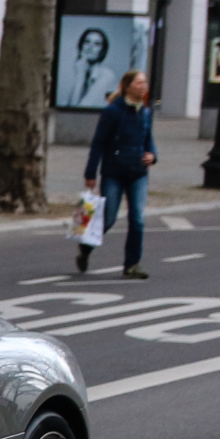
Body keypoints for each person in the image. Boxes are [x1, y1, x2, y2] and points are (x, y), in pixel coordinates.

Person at [83, 69, 157, 280]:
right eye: (139, 83)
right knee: (108, 219)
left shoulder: (145, 112)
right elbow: (98, 143)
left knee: (138, 219)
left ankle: (132, 264)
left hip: (138, 173)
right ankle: (86, 247)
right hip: (114, 172)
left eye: (145, 83)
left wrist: (153, 156)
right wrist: (91, 173)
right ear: (127, 86)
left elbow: (148, 139)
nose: (143, 87)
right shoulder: (113, 112)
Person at [65, 27, 113, 108]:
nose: (90, 47)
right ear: (81, 46)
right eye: (87, 42)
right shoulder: (82, 70)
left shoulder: (107, 76)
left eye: (97, 44)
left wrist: (80, 76)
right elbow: (68, 107)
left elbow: (77, 110)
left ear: (102, 51)